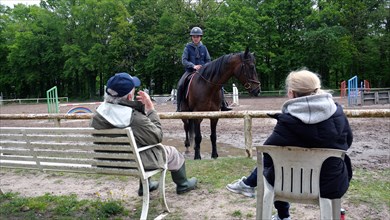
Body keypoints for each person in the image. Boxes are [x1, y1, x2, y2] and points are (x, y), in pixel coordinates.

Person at [226, 69, 353, 220]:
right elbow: (348, 142)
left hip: (288, 185)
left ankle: (280, 214)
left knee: (276, 168)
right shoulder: (338, 113)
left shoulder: (287, 121)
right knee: (280, 167)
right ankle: (249, 185)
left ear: (292, 93)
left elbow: (267, 153)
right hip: (331, 183)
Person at [91, 72, 197, 195]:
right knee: (172, 152)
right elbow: (157, 136)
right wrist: (151, 109)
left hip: (106, 161)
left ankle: (146, 186)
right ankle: (183, 184)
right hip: (135, 162)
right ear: (130, 97)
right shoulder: (133, 117)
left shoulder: (97, 114)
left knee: (139, 144)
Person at [176, 26, 231, 112]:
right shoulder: (187, 48)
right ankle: (179, 106)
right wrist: (193, 66)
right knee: (180, 84)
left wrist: (205, 67)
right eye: (194, 37)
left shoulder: (204, 48)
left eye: (197, 36)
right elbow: (184, 60)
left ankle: (223, 104)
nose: (196, 38)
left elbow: (208, 60)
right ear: (192, 37)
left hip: (204, 72)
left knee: (219, 84)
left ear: (200, 37)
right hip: (190, 71)